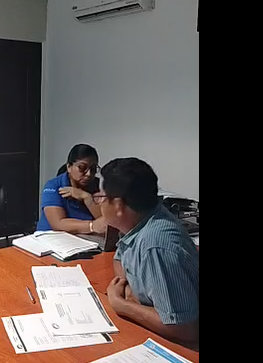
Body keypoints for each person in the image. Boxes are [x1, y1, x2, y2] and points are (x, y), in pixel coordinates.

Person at [98, 158, 199, 349]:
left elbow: (185, 328)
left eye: (101, 197)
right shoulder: (139, 221)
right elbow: (119, 259)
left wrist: (123, 305)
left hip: (184, 349)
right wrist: (128, 286)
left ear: (118, 206)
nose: (99, 203)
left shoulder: (155, 246)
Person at [36, 144, 107, 234]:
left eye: (93, 169)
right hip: (52, 236)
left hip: (85, 236)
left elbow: (105, 221)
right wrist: (91, 226)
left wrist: (86, 198)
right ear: (69, 167)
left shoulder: (99, 185)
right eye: (82, 168)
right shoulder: (53, 185)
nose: (88, 174)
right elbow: (58, 224)